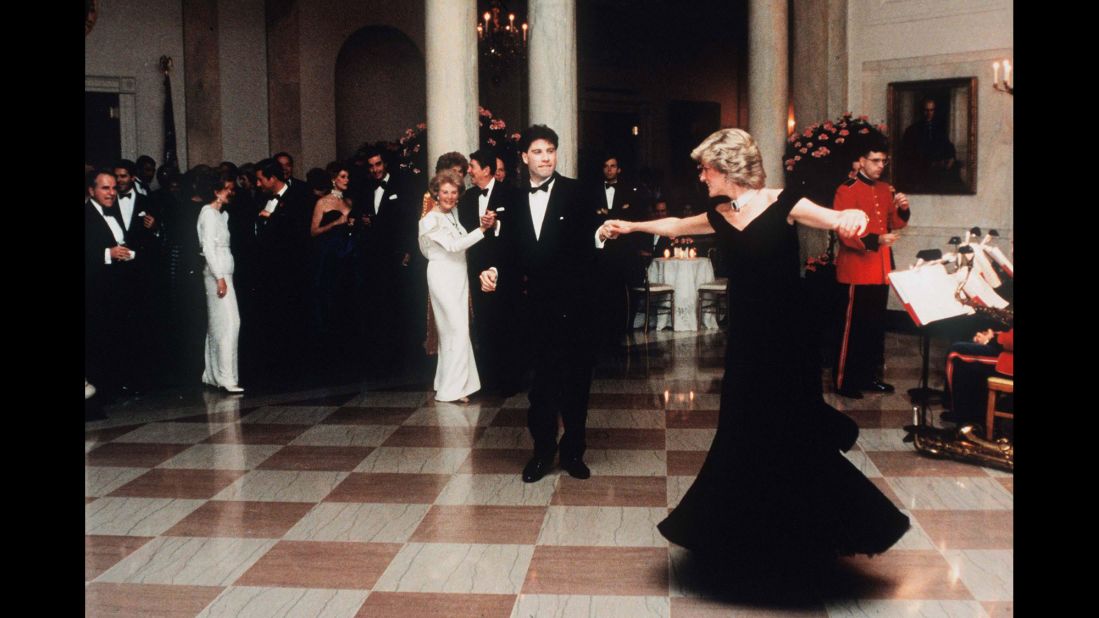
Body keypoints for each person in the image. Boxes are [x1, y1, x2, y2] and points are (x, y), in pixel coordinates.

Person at [605, 128, 910, 562]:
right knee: (742, 429)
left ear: (727, 168)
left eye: (706, 168)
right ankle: (742, 530)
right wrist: (631, 225)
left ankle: (809, 528)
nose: (702, 176)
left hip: (788, 339)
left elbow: (833, 217)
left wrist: (853, 219)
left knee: (790, 429)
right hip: (746, 341)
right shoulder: (720, 213)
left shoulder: (784, 201)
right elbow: (673, 226)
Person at [480, 124, 615, 483]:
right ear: (524, 157)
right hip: (533, 311)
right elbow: (505, 251)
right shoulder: (509, 199)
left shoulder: (578, 192)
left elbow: (590, 243)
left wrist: (600, 237)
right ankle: (542, 453)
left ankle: (573, 453)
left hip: (575, 308)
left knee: (576, 384)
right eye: (538, 151)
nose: (545, 157)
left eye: (550, 151)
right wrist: (491, 269)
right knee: (541, 387)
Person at [833, 134, 911, 399]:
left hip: (880, 270)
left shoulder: (884, 189)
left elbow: (897, 223)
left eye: (883, 161)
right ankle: (844, 381)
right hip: (856, 269)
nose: (880, 166)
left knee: (873, 328)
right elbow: (844, 232)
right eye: (875, 161)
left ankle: (867, 377)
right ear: (862, 161)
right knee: (851, 330)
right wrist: (875, 240)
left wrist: (903, 208)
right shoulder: (847, 189)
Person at [419, 170, 495, 402]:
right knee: (456, 329)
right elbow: (454, 246)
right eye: (445, 192)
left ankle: (448, 382)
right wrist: (482, 231)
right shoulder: (429, 220)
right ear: (436, 193)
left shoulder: (452, 214)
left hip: (458, 275)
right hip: (443, 276)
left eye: (454, 192)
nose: (450, 197)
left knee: (453, 331)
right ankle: (453, 389)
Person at [459, 149, 522, 396]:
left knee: (506, 324)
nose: (469, 171)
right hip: (477, 270)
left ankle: (509, 380)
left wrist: (495, 224)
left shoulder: (512, 194)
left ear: (486, 170)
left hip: (505, 269)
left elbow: (517, 232)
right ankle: (487, 380)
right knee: (483, 325)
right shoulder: (467, 198)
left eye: (472, 166)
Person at [196, 172, 244, 393]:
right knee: (229, 323)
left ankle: (212, 374)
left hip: (226, 272)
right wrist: (220, 278)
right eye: (227, 189)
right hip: (218, 274)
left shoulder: (221, 215)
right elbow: (208, 249)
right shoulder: (207, 214)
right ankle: (225, 377)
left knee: (220, 324)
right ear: (216, 191)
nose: (231, 193)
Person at [309, 162, 355, 353]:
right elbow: (313, 231)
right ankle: (328, 342)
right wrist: (336, 223)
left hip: (348, 252)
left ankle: (345, 339)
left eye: (348, 177)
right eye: (343, 176)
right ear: (334, 179)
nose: (347, 180)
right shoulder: (323, 202)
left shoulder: (349, 202)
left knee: (346, 294)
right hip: (329, 255)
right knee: (328, 294)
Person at [942, 327, 1013, 426]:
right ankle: (973, 413)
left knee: (955, 353)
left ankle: (961, 414)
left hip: (1009, 360)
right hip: (1007, 352)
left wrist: (991, 339)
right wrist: (991, 335)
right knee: (968, 344)